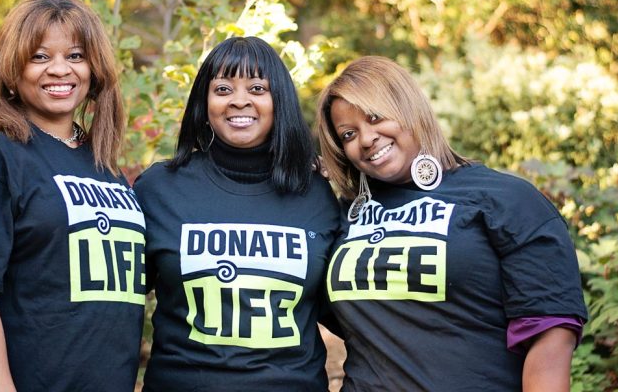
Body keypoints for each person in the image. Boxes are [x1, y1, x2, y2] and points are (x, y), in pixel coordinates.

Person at [316, 56, 588, 391]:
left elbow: (550, 338)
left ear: (409, 109)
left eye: (375, 118)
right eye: (348, 134)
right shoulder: (341, 216)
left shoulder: (506, 199)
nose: (367, 138)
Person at [0, 0, 147, 392]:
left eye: (76, 56)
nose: (60, 70)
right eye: (40, 57)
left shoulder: (104, 168)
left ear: (95, 69)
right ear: (12, 69)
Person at [133, 36, 340, 391]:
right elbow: (114, 307)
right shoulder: (159, 189)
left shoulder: (315, 193)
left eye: (257, 87)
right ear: (205, 101)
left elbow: (349, 310)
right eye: (223, 88)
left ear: (279, 102)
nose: (239, 100)